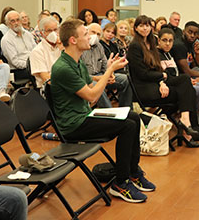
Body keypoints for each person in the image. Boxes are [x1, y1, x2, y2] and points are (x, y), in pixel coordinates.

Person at [51, 19, 155, 203]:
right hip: (74, 125)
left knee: (133, 117)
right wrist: (109, 73)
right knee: (127, 127)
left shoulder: (75, 61)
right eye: (86, 34)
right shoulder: (62, 67)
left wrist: (106, 71)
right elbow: (92, 96)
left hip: (84, 115)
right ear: (73, 40)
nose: (90, 38)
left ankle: (133, 172)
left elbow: (89, 81)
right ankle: (121, 183)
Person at [127, 15, 199, 147]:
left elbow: (156, 67)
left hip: (155, 82)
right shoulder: (135, 46)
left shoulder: (151, 44)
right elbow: (142, 74)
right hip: (144, 89)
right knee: (186, 90)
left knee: (185, 80)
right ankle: (186, 129)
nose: (145, 28)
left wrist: (161, 82)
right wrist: (162, 78)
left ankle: (185, 120)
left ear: (151, 27)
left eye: (147, 25)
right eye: (141, 25)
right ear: (136, 28)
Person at [81, 23, 132, 108]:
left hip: (101, 74)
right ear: (86, 32)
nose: (95, 36)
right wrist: (100, 78)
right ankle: (110, 112)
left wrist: (110, 74)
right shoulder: (81, 47)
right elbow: (80, 73)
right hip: (88, 78)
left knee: (125, 79)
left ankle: (126, 109)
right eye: (93, 32)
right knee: (97, 85)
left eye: (98, 34)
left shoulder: (99, 46)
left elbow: (105, 65)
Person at [158, 27, 199, 111]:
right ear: (159, 41)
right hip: (168, 85)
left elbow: (176, 72)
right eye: (164, 40)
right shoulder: (157, 54)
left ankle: (193, 113)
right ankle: (186, 114)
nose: (167, 43)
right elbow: (166, 76)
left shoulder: (168, 53)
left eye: (170, 41)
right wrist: (184, 82)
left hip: (178, 80)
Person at [0, 11, 36, 81]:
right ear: (8, 24)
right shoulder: (6, 40)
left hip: (33, 65)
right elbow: (15, 62)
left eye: (18, 20)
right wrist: (31, 65)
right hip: (18, 71)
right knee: (39, 73)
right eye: (13, 21)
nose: (16, 23)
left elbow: (35, 50)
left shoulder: (28, 34)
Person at [29, 16, 62, 89]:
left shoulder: (63, 47)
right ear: (42, 33)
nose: (54, 33)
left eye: (56, 30)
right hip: (50, 89)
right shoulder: (37, 51)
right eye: (49, 31)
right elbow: (46, 78)